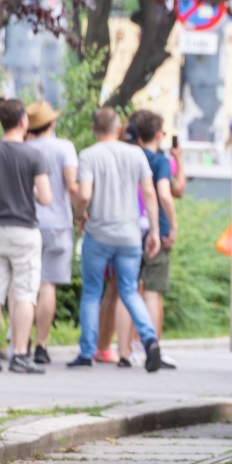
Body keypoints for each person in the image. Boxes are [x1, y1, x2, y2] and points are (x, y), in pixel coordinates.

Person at [71, 107, 162, 371]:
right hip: (130, 236)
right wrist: (154, 231)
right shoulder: (136, 154)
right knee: (130, 291)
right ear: (118, 129)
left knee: (91, 292)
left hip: (98, 234)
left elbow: (84, 194)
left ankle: (87, 352)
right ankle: (149, 339)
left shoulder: (89, 155)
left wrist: (80, 216)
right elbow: (149, 193)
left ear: (93, 129)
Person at [0, 99, 51, 372]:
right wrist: (29, 191)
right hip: (24, 231)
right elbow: (46, 197)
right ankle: (20, 354)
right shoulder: (34, 156)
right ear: (23, 121)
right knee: (25, 293)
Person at [115, 111, 179, 370]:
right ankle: (151, 349)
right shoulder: (159, 161)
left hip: (125, 228)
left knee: (126, 290)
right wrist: (172, 225)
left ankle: (123, 351)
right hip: (155, 231)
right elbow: (163, 193)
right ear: (159, 134)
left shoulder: (125, 156)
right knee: (151, 292)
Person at [23, 101, 75, 366]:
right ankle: (41, 345)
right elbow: (72, 186)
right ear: (51, 123)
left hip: (26, 222)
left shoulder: (22, 149)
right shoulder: (64, 147)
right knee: (47, 285)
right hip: (58, 224)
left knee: (23, 284)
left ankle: (19, 342)